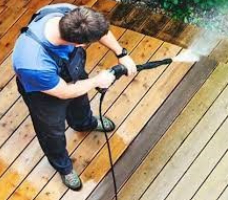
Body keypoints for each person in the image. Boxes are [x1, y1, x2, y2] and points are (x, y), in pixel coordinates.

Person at [12, 3, 136, 191]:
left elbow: (100, 31)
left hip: (71, 73)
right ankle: (64, 167)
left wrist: (122, 54)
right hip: (44, 94)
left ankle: (84, 123)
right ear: (79, 44)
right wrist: (97, 80)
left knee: (80, 103)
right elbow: (64, 92)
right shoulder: (33, 62)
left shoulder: (70, 14)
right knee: (52, 132)